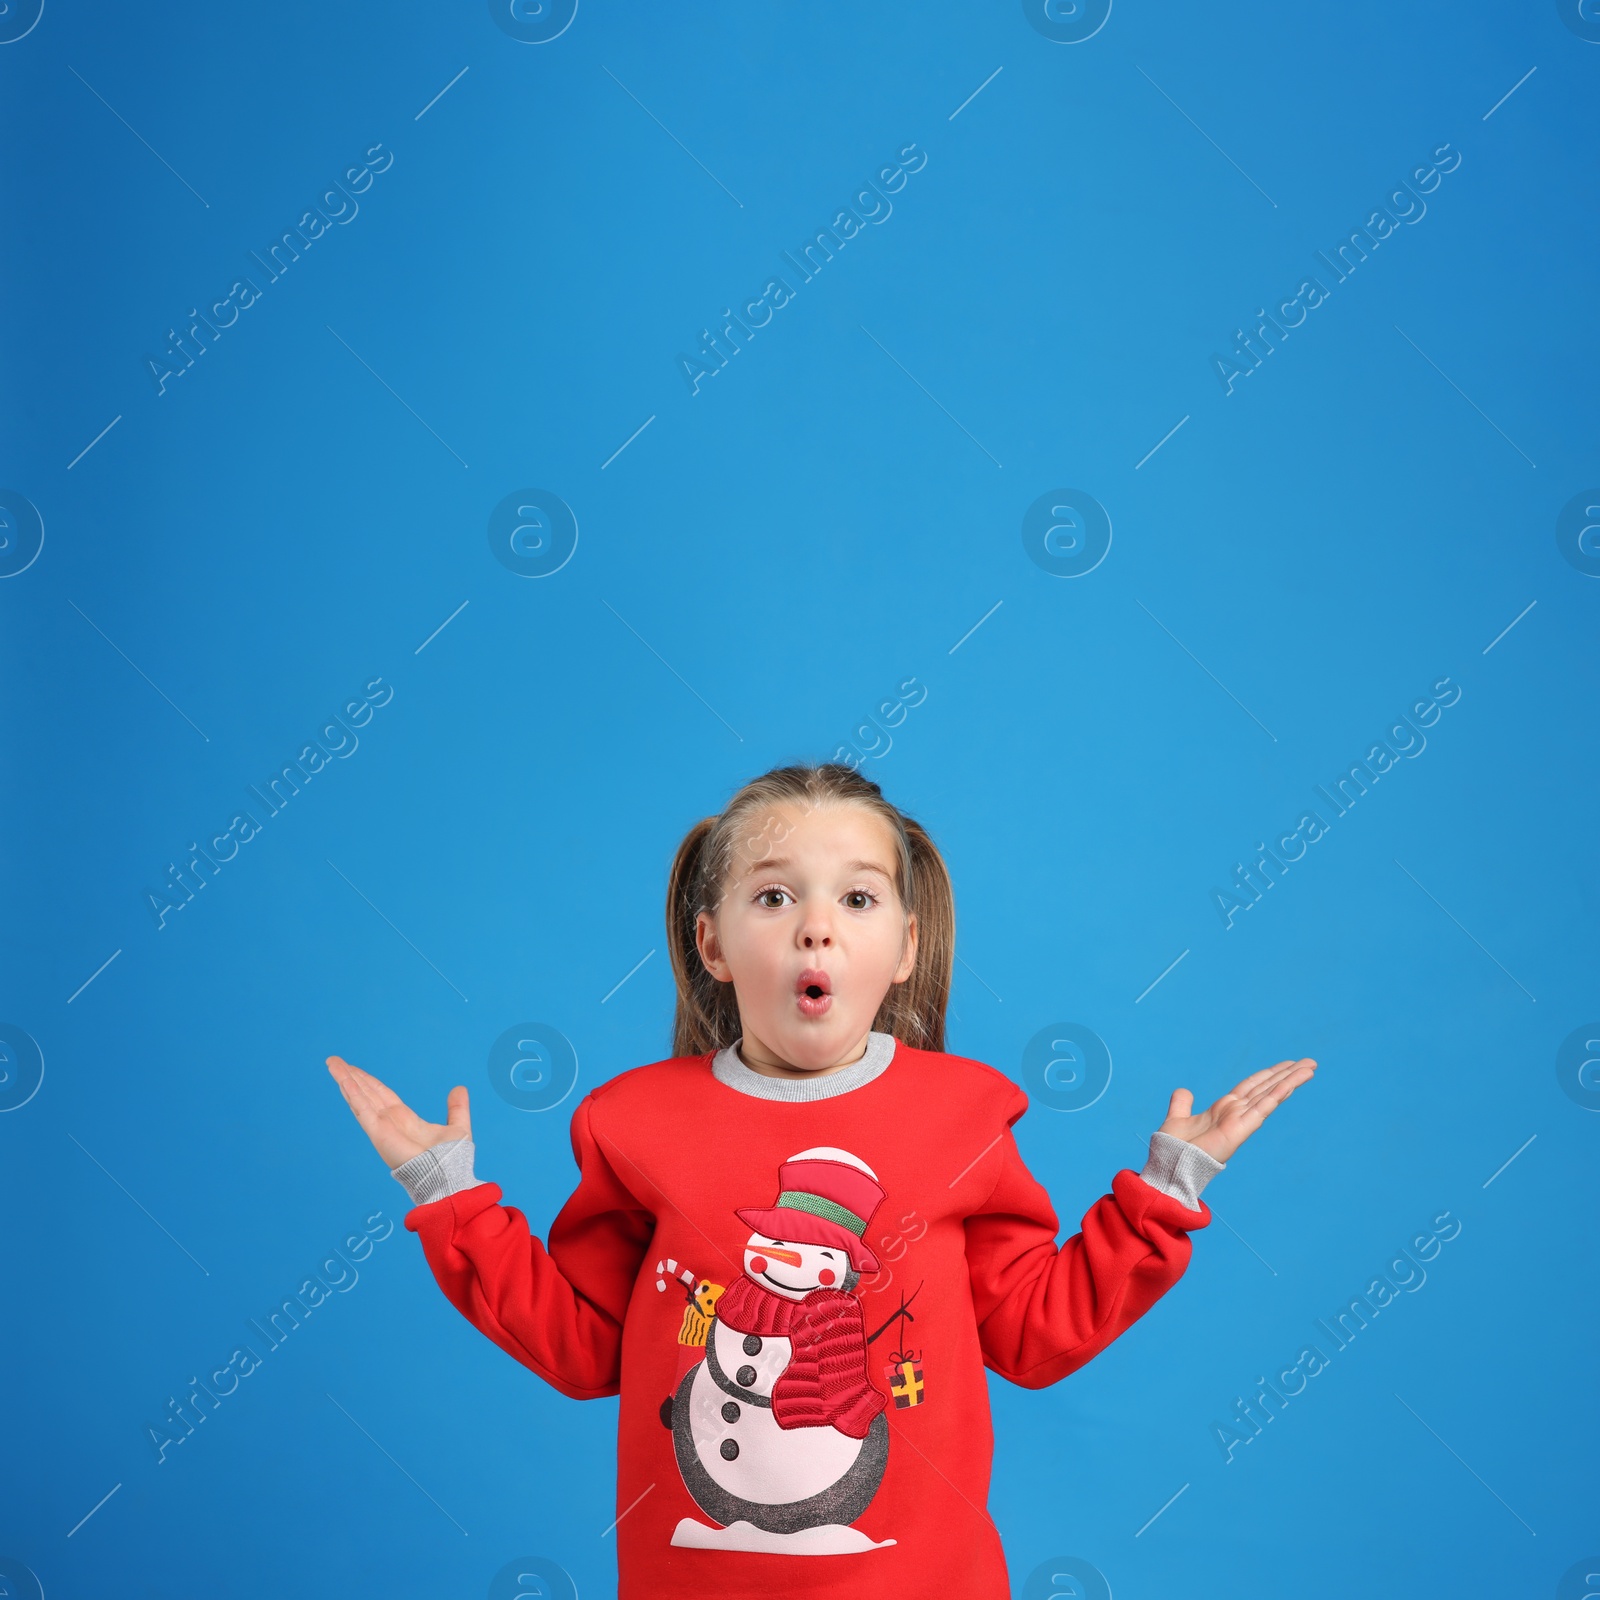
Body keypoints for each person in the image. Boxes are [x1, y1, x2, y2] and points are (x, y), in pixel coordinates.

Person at [327, 761, 1315, 1598]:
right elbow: (591, 1350)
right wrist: (450, 1199)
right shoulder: (632, 1122)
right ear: (712, 942)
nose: (815, 927)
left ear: (903, 948)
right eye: (772, 894)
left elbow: (1028, 1331)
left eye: (856, 896)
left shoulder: (964, 1115)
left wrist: (1163, 1191)